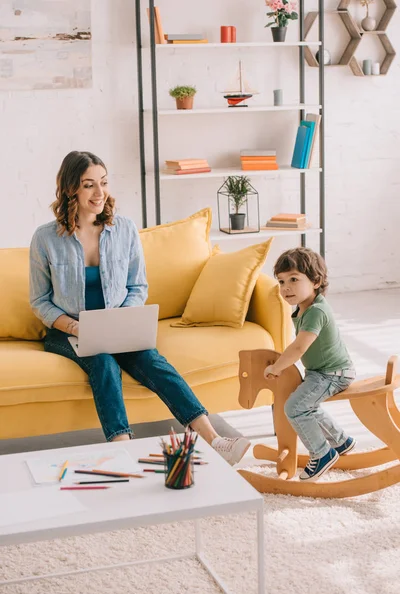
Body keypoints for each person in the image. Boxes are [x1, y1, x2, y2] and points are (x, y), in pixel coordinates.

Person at [29, 151, 250, 466]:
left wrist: (123, 320)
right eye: (89, 185)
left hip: (118, 325)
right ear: (70, 190)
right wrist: (76, 327)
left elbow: (137, 287)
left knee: (152, 360)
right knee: (103, 362)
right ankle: (124, 449)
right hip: (67, 329)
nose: (99, 193)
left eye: (103, 183)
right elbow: (39, 300)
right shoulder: (46, 238)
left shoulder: (124, 229)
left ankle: (214, 440)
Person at [264, 247, 356, 481]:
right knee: (306, 404)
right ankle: (341, 440)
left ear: (316, 281)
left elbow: (299, 347)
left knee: (294, 407)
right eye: (282, 281)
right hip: (322, 371)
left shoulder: (316, 311)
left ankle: (321, 453)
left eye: (294, 279)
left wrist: (277, 368)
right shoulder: (304, 309)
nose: (286, 287)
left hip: (331, 374)